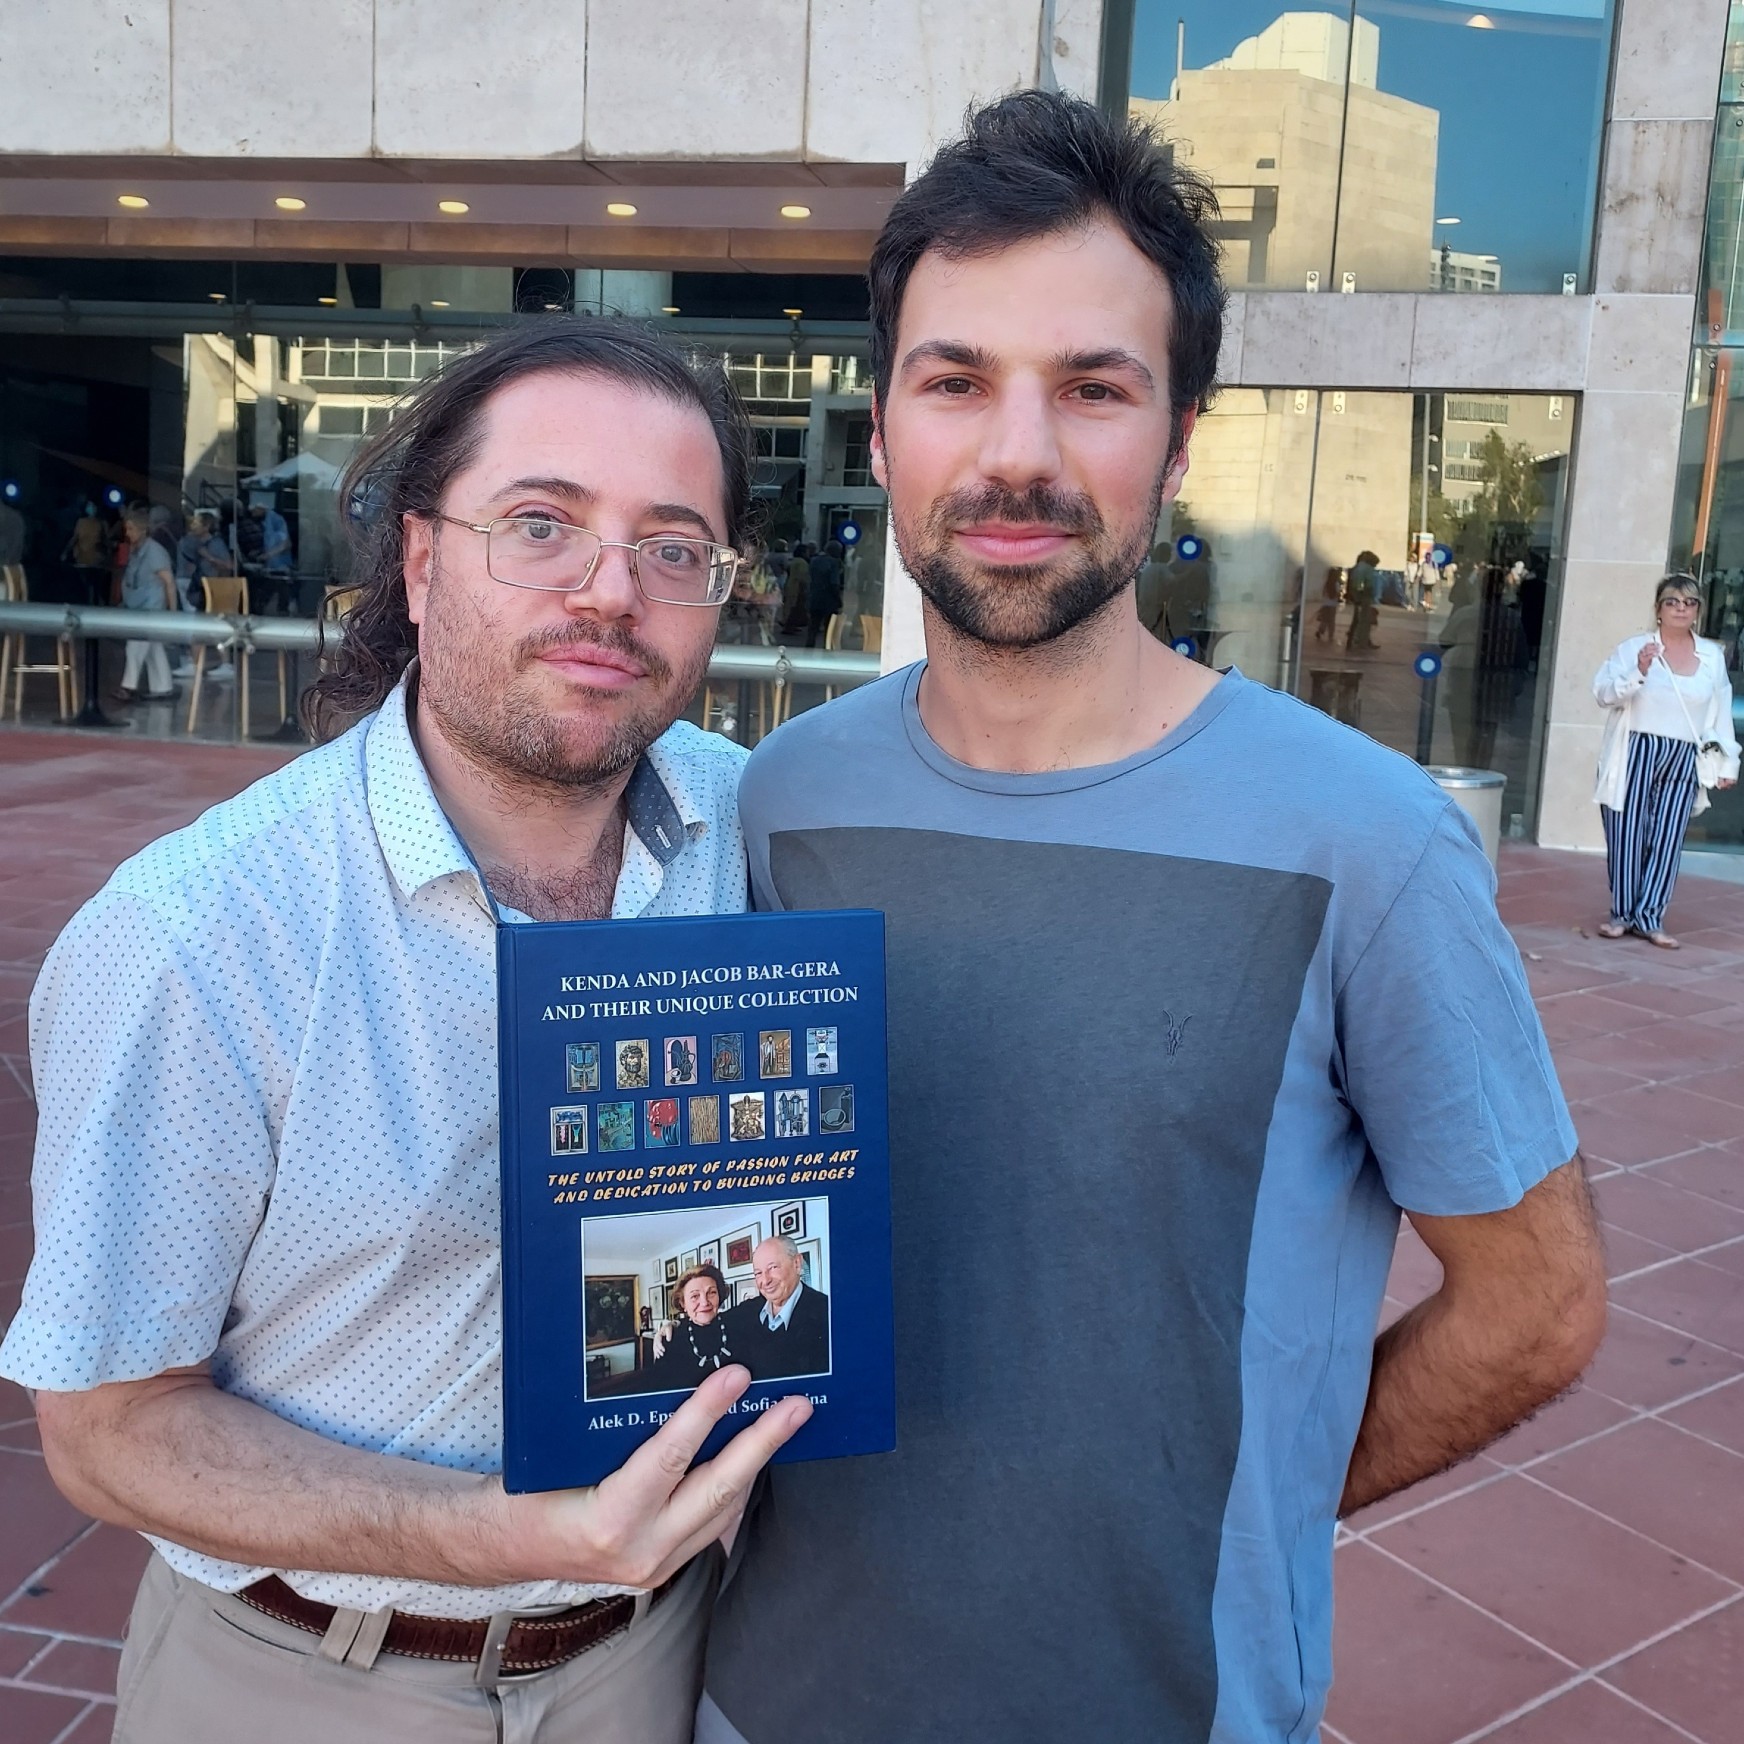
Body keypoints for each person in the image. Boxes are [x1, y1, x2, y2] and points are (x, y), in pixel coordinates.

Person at [701, 92, 1606, 1744]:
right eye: (954, 379)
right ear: (887, 422)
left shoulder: (1365, 837)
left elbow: (1535, 1300)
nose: (1017, 453)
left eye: (1092, 388)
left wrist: (1250, 1495)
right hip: (761, 1699)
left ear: (1178, 435)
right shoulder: (776, 801)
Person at [2, 320, 812, 1744]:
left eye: (674, 547)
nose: (611, 594)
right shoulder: (201, 933)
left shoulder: (759, 836)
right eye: (542, 526)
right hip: (302, 1677)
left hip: (660, 1660)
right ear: (424, 563)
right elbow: (111, 1423)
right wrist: (519, 1535)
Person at [1592, 573, 1740, 948]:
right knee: (1626, 831)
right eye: (1672, 602)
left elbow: (1719, 713)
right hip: (1636, 747)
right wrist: (1639, 670)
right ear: (1658, 608)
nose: (1681, 609)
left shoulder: (1711, 657)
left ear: (1698, 611)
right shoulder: (1634, 648)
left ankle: (1650, 916)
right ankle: (1622, 913)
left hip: (1684, 753)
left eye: (1689, 603)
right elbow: (1604, 694)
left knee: (1668, 836)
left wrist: (1726, 765)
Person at [720, 1237, 829, 1382]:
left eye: (773, 1268)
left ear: (797, 1263)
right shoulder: (746, 1311)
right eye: (758, 1273)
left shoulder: (828, 1311)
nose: (765, 1281)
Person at [116, 503, 177, 701]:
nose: (128, 533)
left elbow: (169, 582)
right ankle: (163, 687)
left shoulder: (155, 552)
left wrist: (172, 612)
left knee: (135, 646)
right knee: (153, 649)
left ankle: (128, 686)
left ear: (142, 529)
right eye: (127, 528)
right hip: (139, 606)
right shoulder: (136, 550)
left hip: (151, 609)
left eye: (131, 529)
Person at [645, 1264, 739, 1391]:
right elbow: (659, 1392)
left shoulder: (737, 1323)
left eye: (711, 1292)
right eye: (695, 1296)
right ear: (683, 1303)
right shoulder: (670, 1338)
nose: (705, 1302)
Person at [803, 538, 843, 647]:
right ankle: (827, 653)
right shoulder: (834, 563)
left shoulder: (814, 560)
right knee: (829, 629)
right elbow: (834, 583)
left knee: (813, 628)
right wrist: (839, 600)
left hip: (814, 598)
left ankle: (808, 651)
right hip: (828, 600)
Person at [1344, 547, 1380, 650]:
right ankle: (1361, 642)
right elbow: (1361, 584)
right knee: (1363, 621)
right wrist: (1360, 595)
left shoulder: (1357, 567)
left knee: (1358, 620)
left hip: (1358, 596)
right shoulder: (1366, 569)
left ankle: (1355, 640)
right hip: (1364, 597)